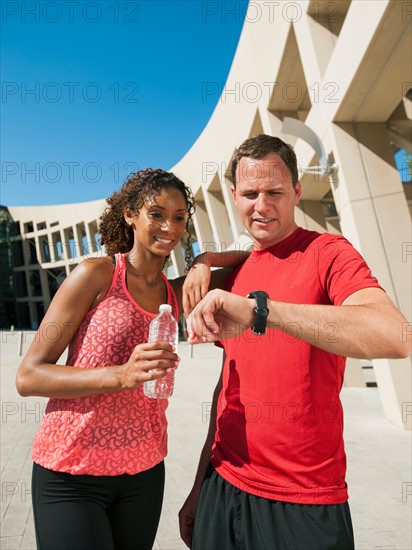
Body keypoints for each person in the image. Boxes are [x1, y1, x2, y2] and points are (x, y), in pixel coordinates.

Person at [179, 135, 411, 550]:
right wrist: (199, 486)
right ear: (234, 196)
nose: (262, 206)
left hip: (303, 501)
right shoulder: (238, 269)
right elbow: (225, 389)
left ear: (297, 192)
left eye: (275, 192)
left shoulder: (328, 252)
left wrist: (260, 310)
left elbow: (394, 336)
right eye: (250, 194)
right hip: (223, 482)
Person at [16, 168, 247, 550]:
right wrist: (121, 375)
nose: (168, 227)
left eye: (177, 218)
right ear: (130, 214)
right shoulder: (96, 275)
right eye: (156, 214)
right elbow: (28, 377)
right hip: (72, 473)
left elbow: (252, 258)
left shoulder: (175, 295)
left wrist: (205, 259)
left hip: (143, 473)